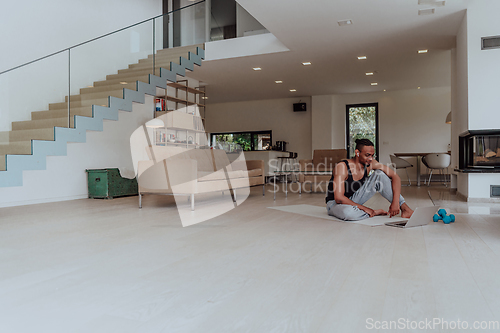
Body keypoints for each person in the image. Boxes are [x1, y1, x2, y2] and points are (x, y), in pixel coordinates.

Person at [325, 138, 414, 221]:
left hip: (354, 200)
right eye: (367, 155)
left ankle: (405, 209)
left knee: (380, 174)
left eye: (372, 155)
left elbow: (395, 177)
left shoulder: (370, 163)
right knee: (348, 213)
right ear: (357, 153)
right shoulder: (342, 167)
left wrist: (395, 202)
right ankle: (373, 213)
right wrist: (366, 208)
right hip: (336, 204)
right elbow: (339, 198)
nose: (370, 158)